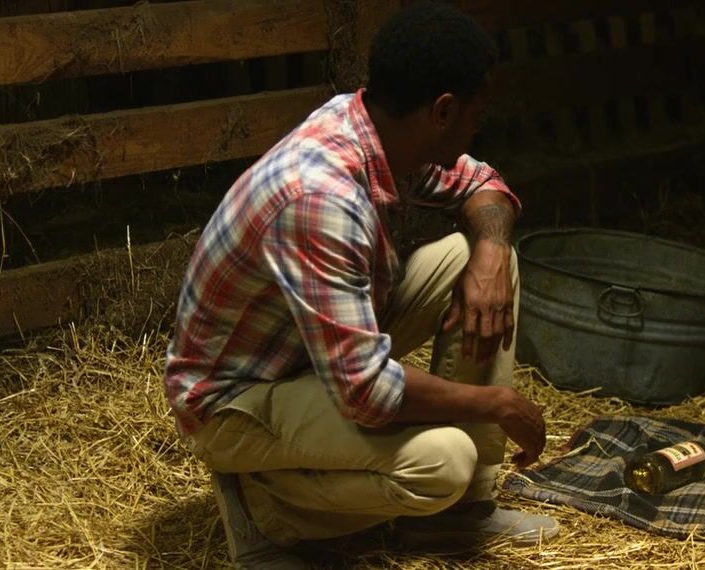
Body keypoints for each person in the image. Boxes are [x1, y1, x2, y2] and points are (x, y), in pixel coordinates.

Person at [163, 2, 556, 567]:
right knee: (442, 462)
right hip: (236, 400)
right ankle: (264, 508)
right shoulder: (322, 198)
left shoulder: (380, 127)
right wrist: (495, 403)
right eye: (476, 116)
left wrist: (491, 252)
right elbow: (367, 393)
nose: (478, 129)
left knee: (476, 257)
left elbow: (481, 183)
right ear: (443, 111)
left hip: (306, 354)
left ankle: (456, 515)